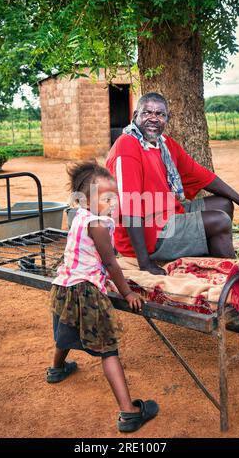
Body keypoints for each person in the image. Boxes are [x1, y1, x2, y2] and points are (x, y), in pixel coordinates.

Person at [46, 161, 159, 433]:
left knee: (65, 328)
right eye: (106, 198)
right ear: (85, 200)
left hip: (64, 287)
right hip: (86, 293)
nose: (113, 203)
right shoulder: (98, 223)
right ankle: (129, 412)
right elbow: (110, 263)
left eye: (114, 197)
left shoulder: (80, 217)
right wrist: (128, 291)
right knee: (108, 350)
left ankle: (57, 370)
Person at [106, 92, 239, 275]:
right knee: (220, 221)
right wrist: (145, 264)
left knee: (224, 204)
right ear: (135, 116)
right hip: (148, 234)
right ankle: (233, 279)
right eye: (147, 113)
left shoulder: (165, 145)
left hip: (167, 215)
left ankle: (213, 260)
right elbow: (129, 208)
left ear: (167, 119)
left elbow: (205, 177)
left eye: (160, 114)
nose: (153, 118)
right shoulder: (127, 146)